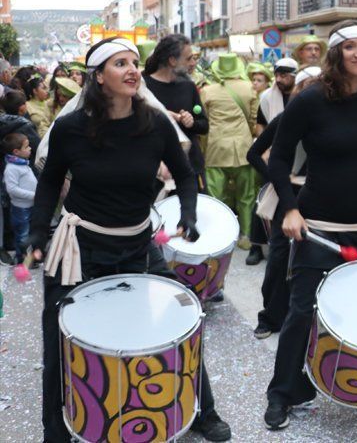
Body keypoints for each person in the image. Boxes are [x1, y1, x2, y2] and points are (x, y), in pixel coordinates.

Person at [31, 37, 231, 441]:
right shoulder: (71, 127)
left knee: (182, 321)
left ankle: (202, 409)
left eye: (134, 62)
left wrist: (189, 213)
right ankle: (55, 426)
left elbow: (186, 173)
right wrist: (36, 232)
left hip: (139, 243)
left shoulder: (155, 122)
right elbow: (50, 183)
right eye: (119, 63)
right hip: (81, 246)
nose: (131, 69)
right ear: (98, 77)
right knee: (59, 331)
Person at [263, 20, 357, 430]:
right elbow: (276, 159)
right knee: (302, 310)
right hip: (320, 224)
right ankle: (282, 392)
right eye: (351, 47)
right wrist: (289, 209)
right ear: (336, 54)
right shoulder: (309, 101)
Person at [248, 69, 320, 337]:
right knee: (279, 257)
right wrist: (278, 179)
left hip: (323, 197)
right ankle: (269, 317)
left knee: (316, 258)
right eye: (308, 86)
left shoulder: (333, 118)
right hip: (287, 196)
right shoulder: (285, 119)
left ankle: (312, 318)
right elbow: (253, 153)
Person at [201, 53, 258, 251]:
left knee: (215, 197)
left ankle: (218, 235)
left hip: (216, 148)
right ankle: (246, 236)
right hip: (244, 148)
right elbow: (253, 119)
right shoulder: (249, 88)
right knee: (247, 195)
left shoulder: (207, 91)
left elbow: (205, 121)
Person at [143, 34, 208, 191]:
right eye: (188, 59)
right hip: (154, 170)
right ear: (172, 61)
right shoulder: (143, 86)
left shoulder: (188, 86)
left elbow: (204, 126)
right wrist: (165, 116)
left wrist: (191, 122)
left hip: (190, 166)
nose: (193, 63)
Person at [3, 132, 35, 264]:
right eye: (26, 147)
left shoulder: (22, 163)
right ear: (16, 151)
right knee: (22, 236)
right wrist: (34, 195)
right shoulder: (11, 168)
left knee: (30, 233)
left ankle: (30, 257)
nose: (30, 148)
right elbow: (12, 190)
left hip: (30, 206)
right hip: (21, 209)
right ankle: (22, 260)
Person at [258, 57, 298, 128]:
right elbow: (260, 124)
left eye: (283, 76)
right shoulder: (267, 97)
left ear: (294, 76)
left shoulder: (303, 96)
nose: (278, 79)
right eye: (276, 75)